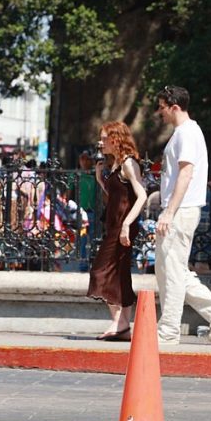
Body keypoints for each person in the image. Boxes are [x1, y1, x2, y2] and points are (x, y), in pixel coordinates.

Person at [154, 86, 211, 344]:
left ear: (174, 107)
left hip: (180, 211)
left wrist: (169, 210)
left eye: (162, 107)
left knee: (171, 272)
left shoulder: (186, 133)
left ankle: (168, 331)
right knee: (172, 271)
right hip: (181, 209)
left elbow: (186, 174)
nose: (159, 113)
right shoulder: (185, 132)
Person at [85, 122, 148, 341]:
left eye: (104, 139)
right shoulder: (115, 164)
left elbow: (141, 196)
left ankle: (120, 323)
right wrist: (99, 178)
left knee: (100, 272)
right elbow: (117, 195)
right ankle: (121, 325)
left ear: (116, 139)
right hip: (114, 225)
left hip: (123, 226)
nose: (100, 143)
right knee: (118, 273)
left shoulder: (129, 163)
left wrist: (126, 224)